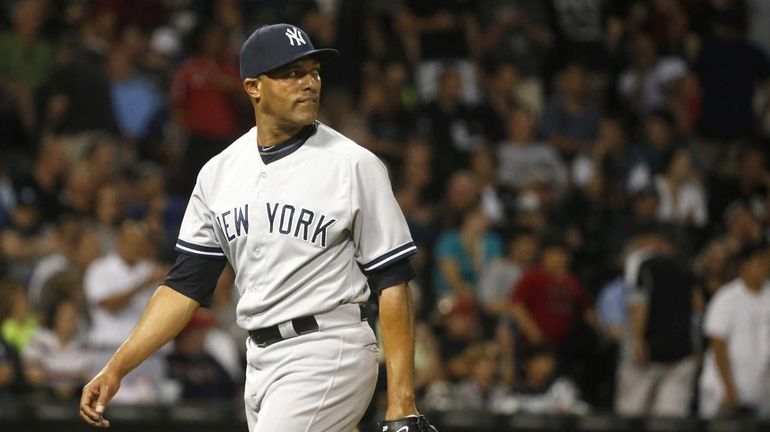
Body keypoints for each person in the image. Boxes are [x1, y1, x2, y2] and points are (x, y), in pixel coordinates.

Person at [79, 23, 436, 432]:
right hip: (260, 361)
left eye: (313, 71)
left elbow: (393, 282)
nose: (309, 84)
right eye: (291, 74)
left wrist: (402, 403)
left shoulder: (354, 164)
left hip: (328, 347)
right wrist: (116, 368)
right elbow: (184, 287)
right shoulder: (219, 173)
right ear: (253, 87)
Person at [699, 242, 770, 418]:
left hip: (761, 392)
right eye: (759, 261)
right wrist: (728, 388)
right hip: (724, 393)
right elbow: (717, 345)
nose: (764, 267)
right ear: (743, 265)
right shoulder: (727, 298)